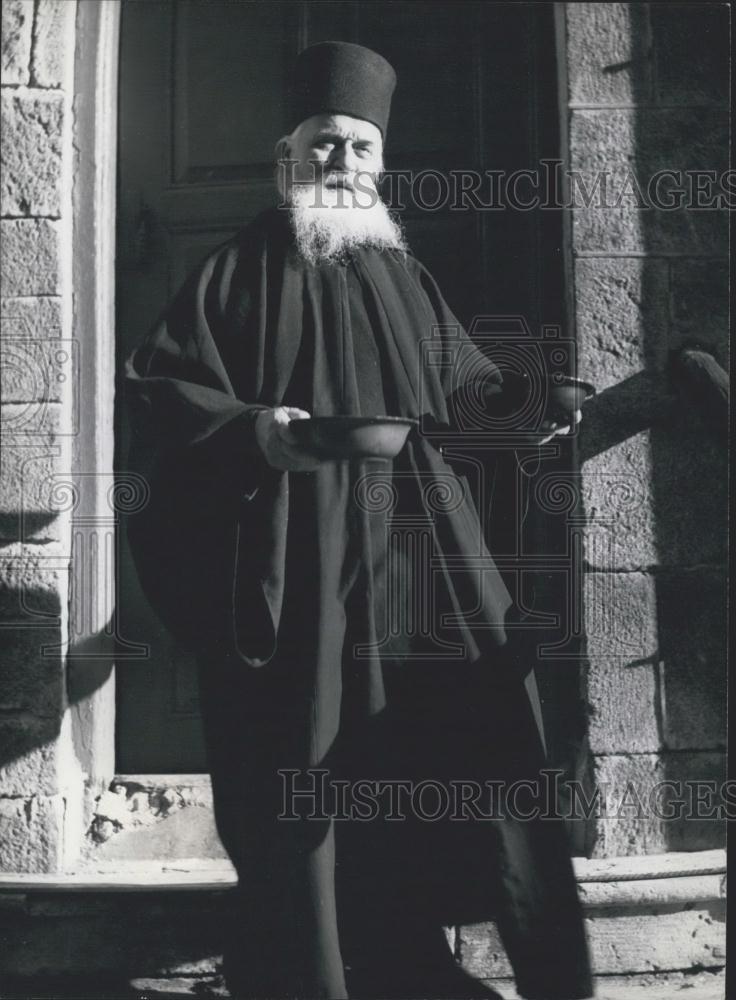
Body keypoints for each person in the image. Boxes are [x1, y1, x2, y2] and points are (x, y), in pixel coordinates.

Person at [125, 41, 592, 1000]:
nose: (344, 165)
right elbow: (162, 397)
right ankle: (310, 976)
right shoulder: (235, 273)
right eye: (326, 145)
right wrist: (257, 432)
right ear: (284, 159)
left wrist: (533, 401)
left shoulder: (404, 277)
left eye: (362, 149)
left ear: (382, 166)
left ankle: (415, 961)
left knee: (452, 737)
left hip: (419, 561)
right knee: (307, 762)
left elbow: (468, 391)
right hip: (299, 564)